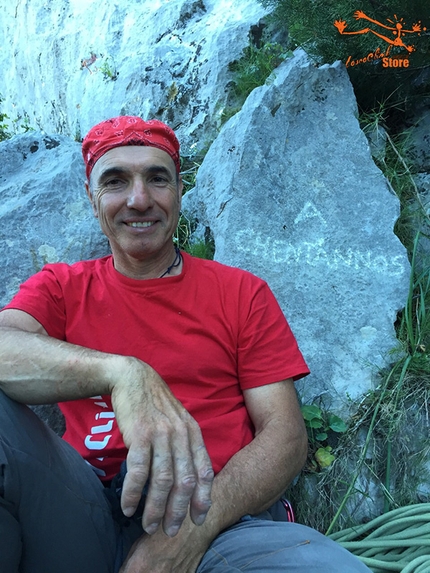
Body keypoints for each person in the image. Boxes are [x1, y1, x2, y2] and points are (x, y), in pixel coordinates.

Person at [0, 116, 370, 573]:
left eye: (158, 178)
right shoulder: (60, 287)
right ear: (91, 197)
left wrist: (192, 533)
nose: (139, 199)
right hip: (82, 510)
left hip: (215, 516)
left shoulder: (240, 293)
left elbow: (286, 436)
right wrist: (122, 374)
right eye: (115, 181)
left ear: (179, 191)